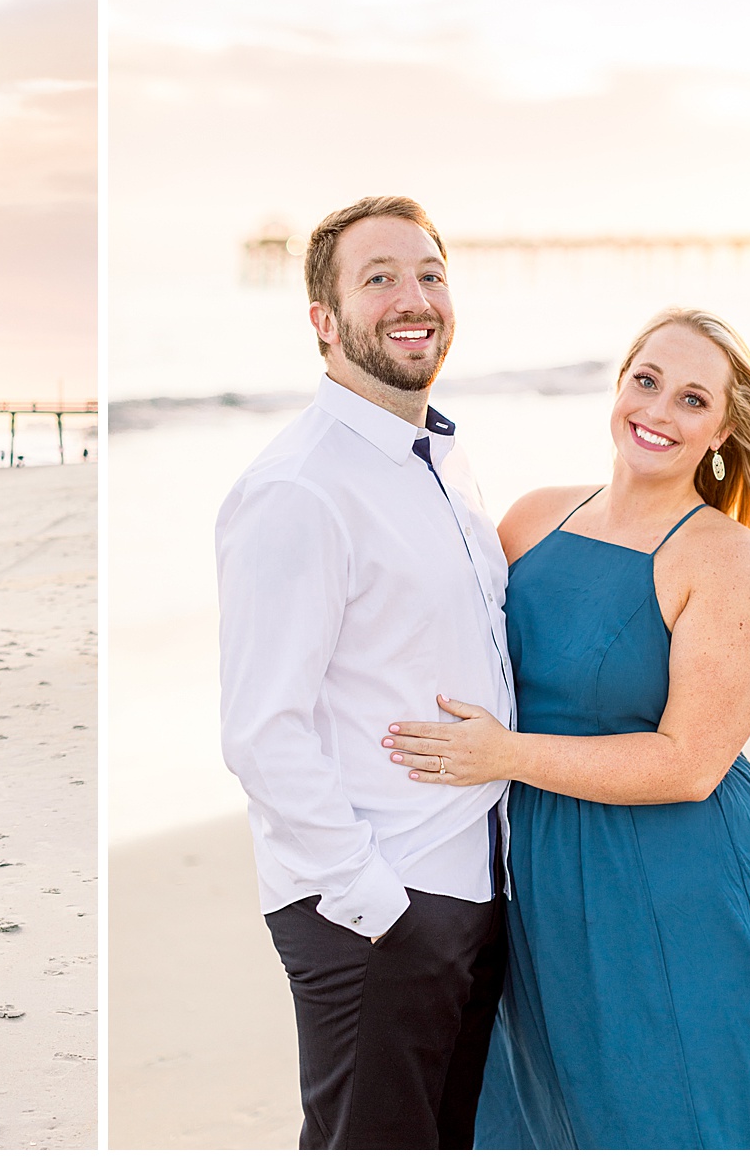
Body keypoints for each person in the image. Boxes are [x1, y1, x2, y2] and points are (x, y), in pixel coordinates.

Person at [380, 309, 750, 1149]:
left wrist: (502, 756)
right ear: (618, 384)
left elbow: (691, 763)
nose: (657, 411)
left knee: (698, 1105)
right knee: (566, 1104)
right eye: (646, 381)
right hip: (541, 872)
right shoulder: (531, 519)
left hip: (683, 878)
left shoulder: (723, 557)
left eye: (693, 400)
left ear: (724, 431)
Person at [216, 195, 516, 1149]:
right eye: (378, 277)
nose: (412, 297)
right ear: (324, 321)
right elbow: (263, 731)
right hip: (379, 909)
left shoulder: (441, 462)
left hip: (470, 890)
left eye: (429, 273)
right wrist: (377, 904)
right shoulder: (298, 488)